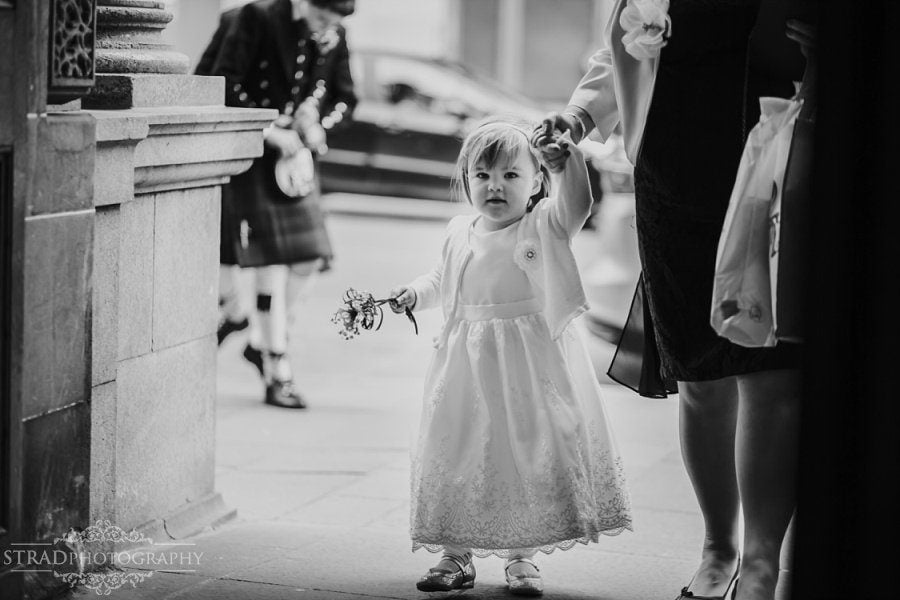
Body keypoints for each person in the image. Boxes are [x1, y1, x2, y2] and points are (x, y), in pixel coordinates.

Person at [532, 1, 814, 599]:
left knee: (772, 369)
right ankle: (718, 547)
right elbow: (622, 49)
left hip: (784, 154)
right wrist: (579, 117)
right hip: (676, 169)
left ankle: (762, 563)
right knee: (699, 373)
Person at [389, 116, 633, 596]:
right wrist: (413, 295)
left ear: (537, 181)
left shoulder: (544, 224)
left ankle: (522, 555)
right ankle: (454, 554)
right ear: (466, 182)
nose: (494, 186)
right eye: (481, 175)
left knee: (525, 454)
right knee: (459, 452)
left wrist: (571, 162)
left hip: (528, 364)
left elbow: (579, 203)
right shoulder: (460, 230)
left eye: (510, 175)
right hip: (466, 364)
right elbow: (441, 280)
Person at [197, 0, 357, 409]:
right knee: (267, 263)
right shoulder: (256, 17)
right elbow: (221, 81)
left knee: (309, 257)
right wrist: (267, 129)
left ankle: (255, 336)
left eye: (334, 23)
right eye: (322, 18)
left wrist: (318, 122)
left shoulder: (334, 32)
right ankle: (276, 367)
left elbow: (345, 98)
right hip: (251, 155)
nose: (327, 29)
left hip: (295, 162)